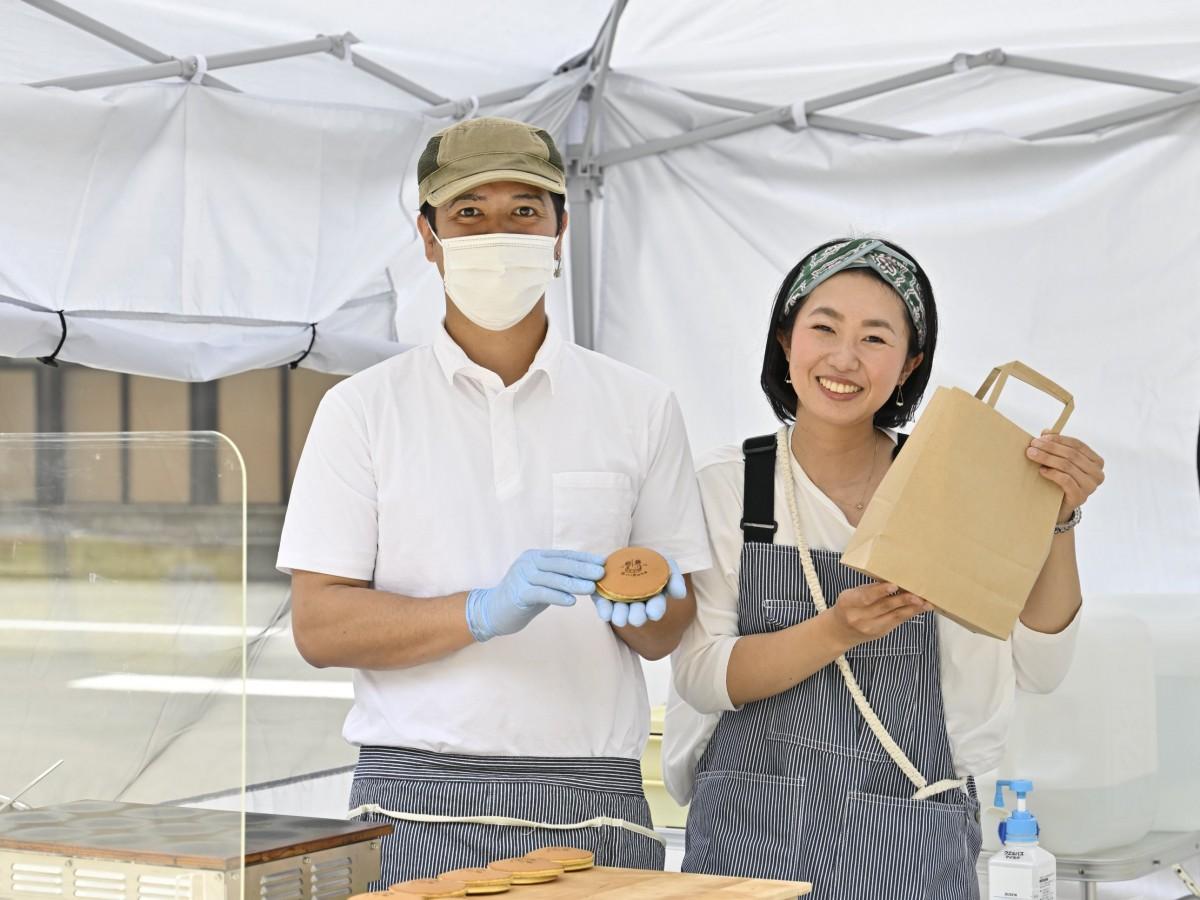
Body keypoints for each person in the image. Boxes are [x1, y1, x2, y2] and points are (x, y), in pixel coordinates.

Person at [277, 116, 710, 886]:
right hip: (411, 800)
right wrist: (477, 611)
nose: (498, 232)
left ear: (560, 231)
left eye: (525, 211)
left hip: (595, 797)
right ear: (429, 236)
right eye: (469, 212)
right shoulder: (363, 410)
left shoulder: (639, 406)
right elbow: (319, 624)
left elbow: (667, 632)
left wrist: (650, 603)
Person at [665, 237, 1105, 899]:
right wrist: (834, 632)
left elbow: (1042, 667)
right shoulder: (733, 487)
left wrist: (1059, 517)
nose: (844, 359)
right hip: (748, 844)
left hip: (912, 844)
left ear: (909, 365)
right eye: (824, 328)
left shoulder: (955, 484)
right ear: (785, 341)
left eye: (875, 338)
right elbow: (702, 677)